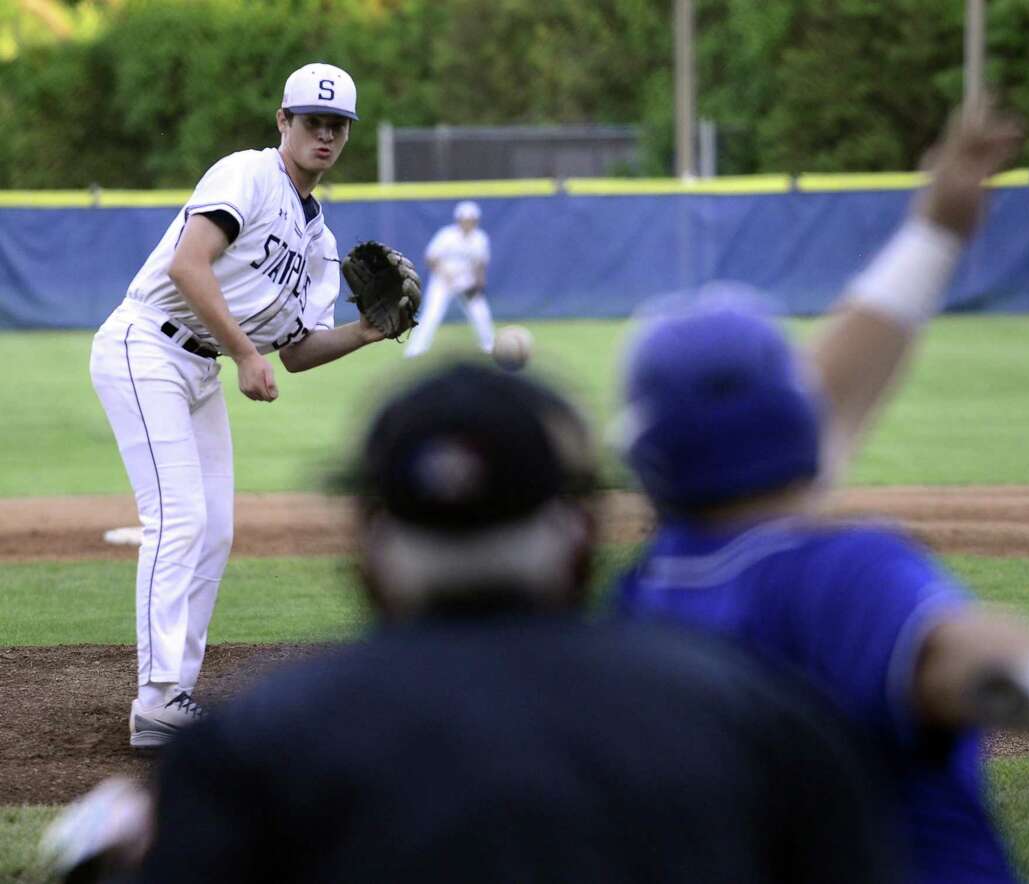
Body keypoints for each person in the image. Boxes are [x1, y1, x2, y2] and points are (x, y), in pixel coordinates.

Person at [613, 105, 1029, 883]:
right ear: (791, 424)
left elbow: (821, 394)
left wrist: (937, 228)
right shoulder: (832, 576)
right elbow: (959, 654)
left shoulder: (640, 600)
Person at [42, 363, 900, 884]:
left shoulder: (252, 747)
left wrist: (106, 863)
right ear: (583, 543)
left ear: (367, 557)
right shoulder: (757, 718)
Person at [88, 62, 417, 749]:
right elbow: (188, 264)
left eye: (337, 126)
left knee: (214, 530)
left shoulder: (320, 242)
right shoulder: (248, 174)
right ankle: (155, 700)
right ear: (283, 122)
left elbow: (296, 350)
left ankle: (174, 694)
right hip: (145, 343)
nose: (324, 134)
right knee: (178, 518)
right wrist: (243, 352)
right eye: (311, 121)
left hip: (200, 364)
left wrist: (366, 331)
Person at [404, 200, 494, 357]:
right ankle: (416, 350)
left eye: (471, 219)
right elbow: (431, 258)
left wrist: (479, 283)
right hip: (442, 280)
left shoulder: (480, 238)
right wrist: (446, 275)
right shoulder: (447, 235)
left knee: (480, 312)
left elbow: (480, 263)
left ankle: (489, 346)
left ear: (476, 220)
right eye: (465, 219)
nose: (468, 222)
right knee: (432, 314)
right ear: (459, 219)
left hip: (466, 280)